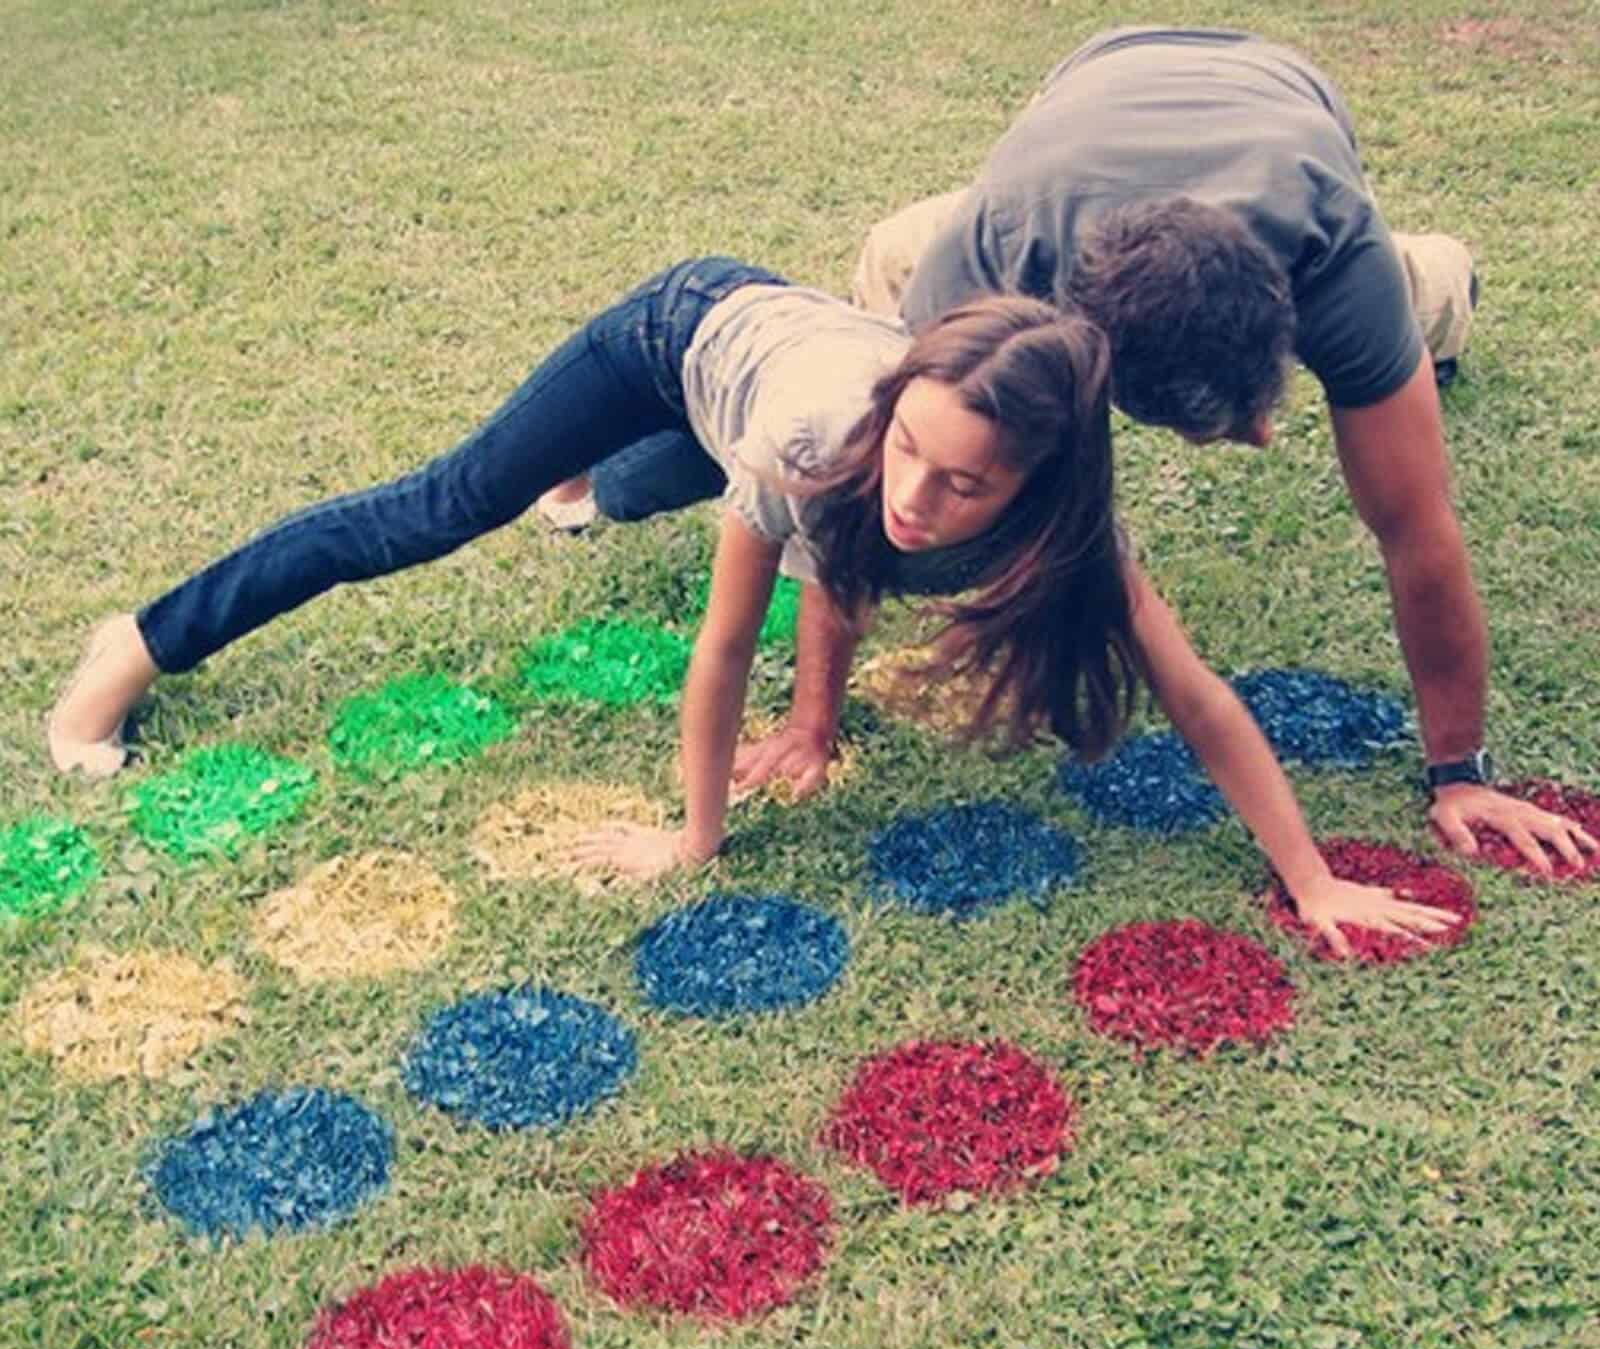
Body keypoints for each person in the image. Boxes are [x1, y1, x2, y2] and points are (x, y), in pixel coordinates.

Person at [47, 255, 1458, 951]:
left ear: (1035, 485)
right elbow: (731, 647)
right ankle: (140, 640)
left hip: (760, 409)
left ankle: (603, 486)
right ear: (899, 402)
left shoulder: (1076, 532)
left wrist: (1315, 874)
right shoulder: (823, 448)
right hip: (686, 333)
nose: (920, 497)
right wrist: (694, 835)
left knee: (684, 491)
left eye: (966, 486)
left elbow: (1201, 701)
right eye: (913, 449)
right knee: (451, 502)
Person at [556, 27, 1592, 877]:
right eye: (1222, 428)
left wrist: (1461, 766)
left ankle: (1445, 284)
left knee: (1418, 304)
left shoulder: (1335, 257)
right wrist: (811, 717)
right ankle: (626, 471)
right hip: (1088, 100)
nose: (1263, 440)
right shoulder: (1001, 253)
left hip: (1288, 108)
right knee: (897, 316)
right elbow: (858, 495)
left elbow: (1418, 534)